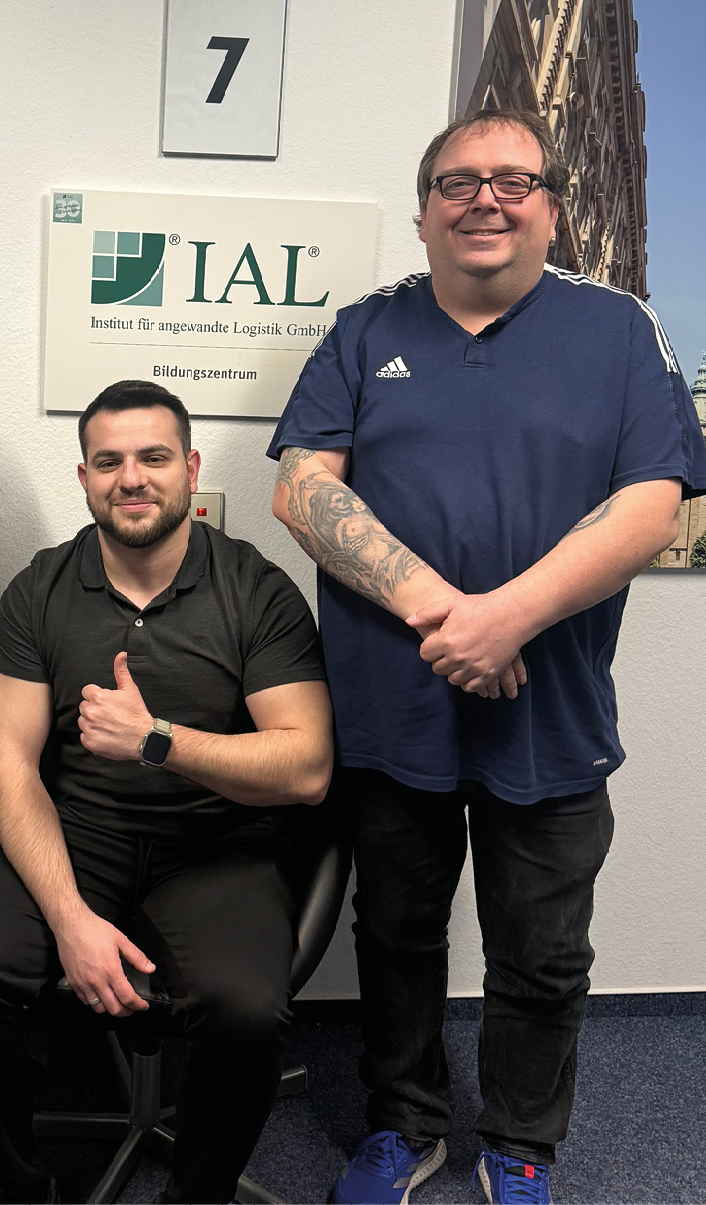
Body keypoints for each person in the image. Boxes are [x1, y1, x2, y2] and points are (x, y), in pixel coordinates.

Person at [268, 108, 706, 1205]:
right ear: (424, 213)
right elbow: (302, 488)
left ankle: (520, 1141)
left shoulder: (618, 330)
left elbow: (652, 504)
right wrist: (448, 616)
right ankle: (403, 1122)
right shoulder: (363, 330)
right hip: (392, 709)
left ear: (551, 209)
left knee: (542, 950)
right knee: (396, 933)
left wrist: (506, 619)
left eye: (513, 181)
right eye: (457, 182)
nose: (485, 200)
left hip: (550, 712)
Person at [0, 380, 334, 1204]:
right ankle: (13, 1186)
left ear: (190, 468)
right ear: (85, 478)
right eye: (108, 462)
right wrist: (70, 918)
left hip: (218, 844)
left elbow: (307, 767)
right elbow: (9, 765)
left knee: (245, 1008)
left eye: (153, 457)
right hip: (75, 833)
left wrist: (156, 739)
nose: (132, 477)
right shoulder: (40, 589)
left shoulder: (257, 589)